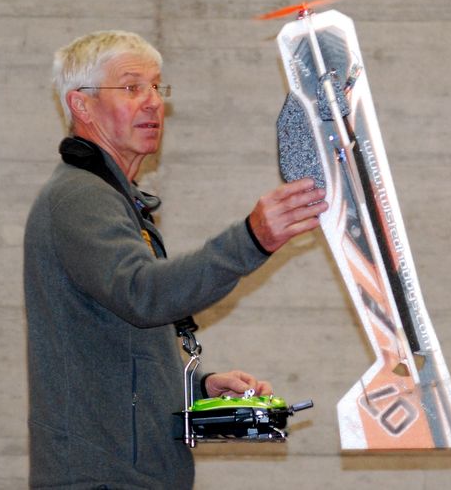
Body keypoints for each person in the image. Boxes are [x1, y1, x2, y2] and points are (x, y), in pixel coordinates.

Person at [23, 30, 326, 489]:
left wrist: (196, 387)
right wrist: (250, 239)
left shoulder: (109, 196)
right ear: (81, 105)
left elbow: (119, 343)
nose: (152, 102)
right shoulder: (81, 198)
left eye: (156, 86)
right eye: (131, 87)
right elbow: (144, 294)